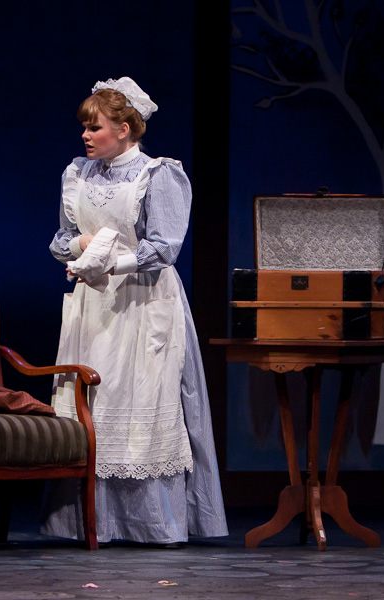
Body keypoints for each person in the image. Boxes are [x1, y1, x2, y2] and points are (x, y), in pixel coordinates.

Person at [42, 77, 228, 546]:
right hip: (92, 304)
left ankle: (151, 522)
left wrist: (110, 264)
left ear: (124, 129)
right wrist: (81, 247)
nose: (86, 135)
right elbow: (60, 240)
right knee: (92, 404)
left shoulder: (158, 174)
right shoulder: (77, 174)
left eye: (95, 127)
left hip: (142, 300)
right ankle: (90, 522)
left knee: (142, 399)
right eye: (85, 127)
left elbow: (164, 247)